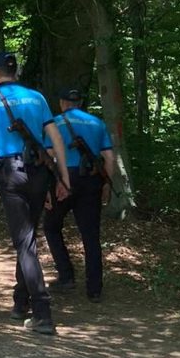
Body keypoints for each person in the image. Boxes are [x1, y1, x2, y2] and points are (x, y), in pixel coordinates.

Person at [0, 51, 71, 336]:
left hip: (10, 173)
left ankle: (43, 313)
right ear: (14, 72)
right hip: (39, 173)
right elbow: (56, 140)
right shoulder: (37, 98)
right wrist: (63, 178)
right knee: (27, 238)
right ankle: (20, 302)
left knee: (25, 243)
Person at [43, 87, 116, 303]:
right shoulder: (97, 123)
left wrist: (48, 187)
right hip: (91, 180)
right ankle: (94, 289)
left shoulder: (54, 123)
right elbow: (109, 158)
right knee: (91, 235)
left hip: (64, 180)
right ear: (81, 103)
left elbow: (48, 156)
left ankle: (66, 276)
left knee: (51, 226)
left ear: (62, 103)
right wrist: (106, 184)